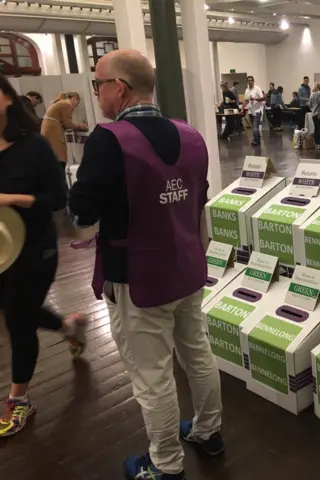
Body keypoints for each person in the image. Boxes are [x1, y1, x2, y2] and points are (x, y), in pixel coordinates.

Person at [68, 49, 223, 480]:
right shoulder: (190, 135)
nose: (96, 92)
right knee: (198, 352)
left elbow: (82, 214)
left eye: (99, 84)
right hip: (188, 267)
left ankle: (166, 465)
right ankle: (210, 432)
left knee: (152, 375)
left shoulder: (108, 139)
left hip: (137, 278)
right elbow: (198, 196)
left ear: (120, 87)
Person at [0, 74, 87, 438]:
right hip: (1, 252)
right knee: (16, 309)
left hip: (36, 247)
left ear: (6, 99)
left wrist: (12, 199)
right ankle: (68, 327)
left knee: (18, 320)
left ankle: (19, 399)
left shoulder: (33, 146)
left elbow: (57, 199)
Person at [40, 92, 88, 176]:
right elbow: (68, 124)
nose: (75, 107)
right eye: (77, 103)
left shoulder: (59, 103)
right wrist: (81, 126)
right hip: (53, 131)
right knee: (59, 155)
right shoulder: (66, 104)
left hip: (48, 129)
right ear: (73, 98)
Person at [244, 75, 265, 146]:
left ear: (253, 81)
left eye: (251, 80)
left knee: (255, 126)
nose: (250, 82)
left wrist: (255, 99)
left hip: (257, 110)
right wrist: (242, 109)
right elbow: (245, 100)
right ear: (247, 82)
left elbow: (263, 98)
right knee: (254, 127)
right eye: (248, 80)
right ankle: (257, 140)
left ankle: (256, 140)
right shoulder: (247, 90)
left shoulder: (257, 88)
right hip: (250, 111)